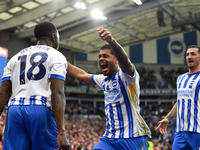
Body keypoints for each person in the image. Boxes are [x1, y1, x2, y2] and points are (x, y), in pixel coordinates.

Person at [67, 27, 151, 150]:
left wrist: (111, 41)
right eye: (99, 56)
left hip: (131, 137)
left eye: (105, 56)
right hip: (109, 138)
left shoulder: (127, 77)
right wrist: (60, 59)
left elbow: (125, 61)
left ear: (116, 59)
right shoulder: (103, 80)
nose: (101, 59)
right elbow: (81, 75)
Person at [0, 22, 69, 150]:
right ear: (53, 37)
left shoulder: (15, 57)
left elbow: (3, 92)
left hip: (14, 110)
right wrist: (62, 132)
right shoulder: (57, 56)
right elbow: (57, 93)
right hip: (40, 110)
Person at [156, 45, 200, 150]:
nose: (189, 57)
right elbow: (180, 102)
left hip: (197, 132)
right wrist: (167, 118)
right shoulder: (181, 78)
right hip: (180, 134)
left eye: (193, 54)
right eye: (187, 54)